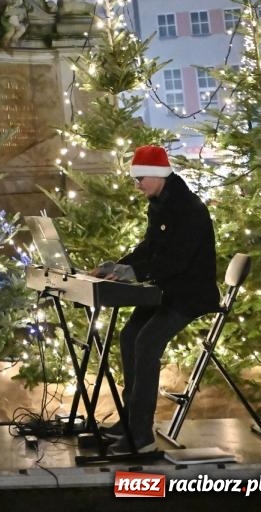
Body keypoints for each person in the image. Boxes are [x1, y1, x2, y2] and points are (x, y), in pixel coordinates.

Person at [93, 144, 219, 454]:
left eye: (141, 179)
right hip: (165, 290)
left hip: (189, 294)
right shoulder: (159, 202)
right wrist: (117, 267)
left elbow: (176, 260)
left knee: (147, 342)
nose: (137, 186)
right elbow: (149, 247)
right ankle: (130, 420)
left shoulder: (187, 208)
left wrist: (133, 272)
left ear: (159, 175)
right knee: (129, 335)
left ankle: (142, 435)